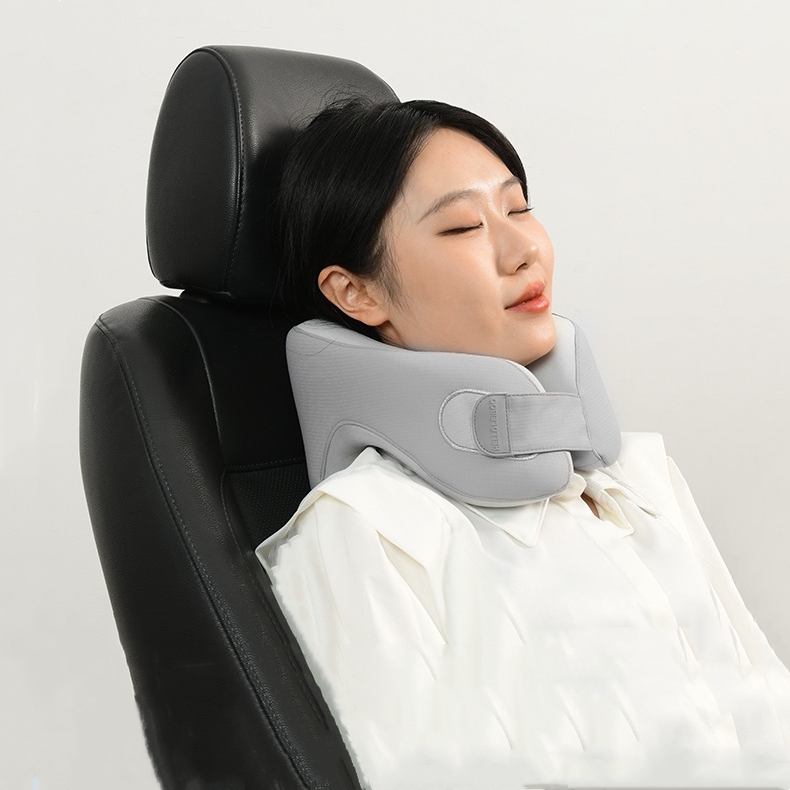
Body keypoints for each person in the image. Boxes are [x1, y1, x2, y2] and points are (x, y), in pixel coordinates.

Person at [257, 99, 790, 789]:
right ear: (356, 293)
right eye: (463, 225)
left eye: (520, 208)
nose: (523, 249)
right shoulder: (366, 532)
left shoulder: (642, 478)